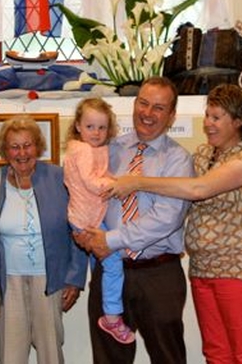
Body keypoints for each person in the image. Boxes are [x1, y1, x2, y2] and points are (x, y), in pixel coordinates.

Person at [105, 83, 242, 364]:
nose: (208, 124)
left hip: (239, 270)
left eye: (216, 117)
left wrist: (137, 181)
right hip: (203, 269)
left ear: (239, 121)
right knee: (216, 352)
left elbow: (198, 189)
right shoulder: (205, 154)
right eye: (207, 115)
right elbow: (182, 189)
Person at [75, 76, 193, 364]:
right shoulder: (109, 149)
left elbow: (167, 217)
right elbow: (83, 188)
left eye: (158, 108)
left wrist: (110, 240)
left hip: (158, 274)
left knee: (168, 356)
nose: (147, 113)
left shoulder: (178, 159)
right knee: (108, 357)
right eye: (143, 103)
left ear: (171, 115)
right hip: (110, 270)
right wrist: (82, 229)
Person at [0, 115, 88, 364]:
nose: (22, 153)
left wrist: (75, 278)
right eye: (14, 146)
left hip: (51, 280)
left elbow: (79, 229)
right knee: (11, 354)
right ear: (4, 151)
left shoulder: (61, 178)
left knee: (51, 353)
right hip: (8, 282)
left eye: (27, 145)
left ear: (38, 146)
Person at [63, 97, 135, 344]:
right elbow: (92, 182)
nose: (96, 132)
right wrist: (118, 185)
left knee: (101, 264)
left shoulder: (94, 149)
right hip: (86, 219)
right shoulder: (81, 150)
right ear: (78, 127)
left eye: (102, 127)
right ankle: (112, 316)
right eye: (90, 126)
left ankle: (105, 302)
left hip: (89, 216)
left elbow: (99, 173)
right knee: (114, 261)